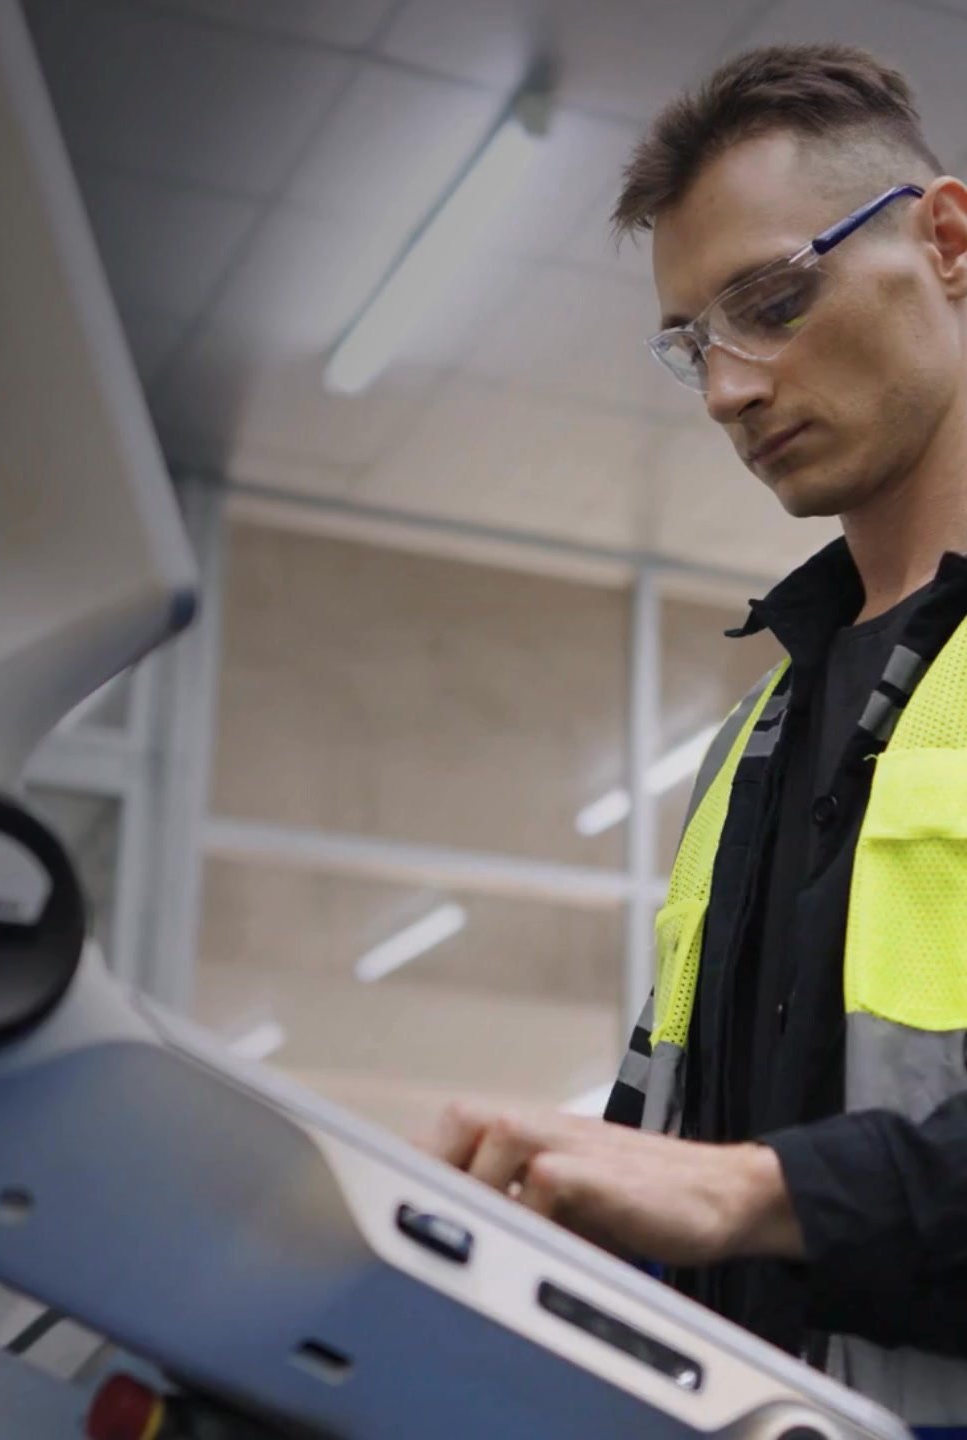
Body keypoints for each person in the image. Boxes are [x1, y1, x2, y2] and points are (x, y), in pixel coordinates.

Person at [423, 43, 967, 1430]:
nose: (728, 389)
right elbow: (672, 1145)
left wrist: (749, 1193)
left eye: (773, 303)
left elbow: (731, 1187)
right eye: (693, 344)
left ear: (949, 244)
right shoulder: (753, 743)